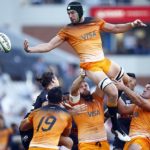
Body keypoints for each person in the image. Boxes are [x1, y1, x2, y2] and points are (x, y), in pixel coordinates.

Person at [23, 1, 147, 140]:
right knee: (112, 91)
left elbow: (115, 28)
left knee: (128, 81)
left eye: (72, 13)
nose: (70, 16)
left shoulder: (94, 21)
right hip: (90, 66)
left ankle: (110, 112)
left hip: (103, 61)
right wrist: (30, 49)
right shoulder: (67, 30)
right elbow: (49, 45)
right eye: (68, 13)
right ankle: (116, 125)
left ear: (80, 12)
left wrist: (132, 24)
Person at [20, 71, 73, 150]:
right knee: (68, 142)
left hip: (37, 126)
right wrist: (63, 108)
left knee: (67, 141)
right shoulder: (47, 94)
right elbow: (46, 107)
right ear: (53, 81)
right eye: (57, 78)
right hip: (30, 130)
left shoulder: (51, 93)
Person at [66, 72, 110, 150]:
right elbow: (73, 89)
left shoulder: (97, 98)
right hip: (86, 144)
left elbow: (102, 82)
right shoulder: (76, 102)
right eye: (81, 87)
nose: (84, 88)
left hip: (103, 143)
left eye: (86, 85)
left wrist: (96, 69)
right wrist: (82, 76)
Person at [114, 81, 150, 150]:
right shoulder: (138, 106)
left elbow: (139, 101)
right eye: (145, 88)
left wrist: (124, 88)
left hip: (143, 138)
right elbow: (123, 109)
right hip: (132, 139)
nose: (144, 89)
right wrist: (114, 91)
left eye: (148, 88)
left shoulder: (142, 103)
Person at [113, 73, 136, 150]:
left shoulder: (139, 99)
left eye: (130, 81)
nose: (127, 84)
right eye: (125, 81)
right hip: (120, 139)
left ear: (135, 83)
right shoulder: (118, 97)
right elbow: (110, 112)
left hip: (135, 136)